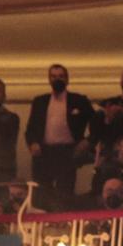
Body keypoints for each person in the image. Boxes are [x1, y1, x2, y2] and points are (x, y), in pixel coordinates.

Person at [25, 64, 94, 207]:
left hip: (67, 152)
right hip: (44, 153)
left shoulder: (79, 100)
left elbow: (96, 123)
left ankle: (62, 224)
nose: (57, 79)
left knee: (65, 192)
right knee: (41, 193)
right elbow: (30, 129)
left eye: (61, 76)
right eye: (54, 76)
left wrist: (87, 141)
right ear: (49, 80)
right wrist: (32, 143)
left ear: (67, 79)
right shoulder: (40, 101)